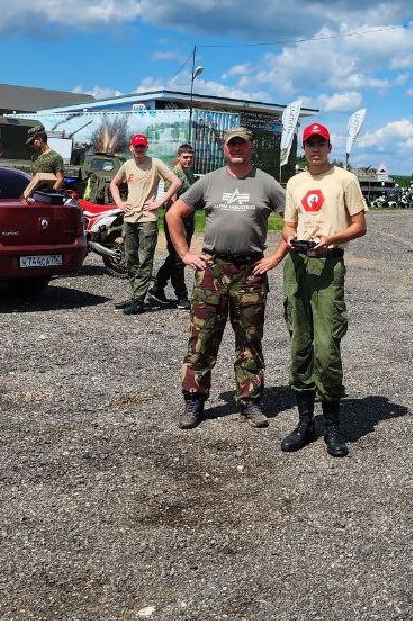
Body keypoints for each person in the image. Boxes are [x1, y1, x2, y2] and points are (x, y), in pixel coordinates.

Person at [165, 126, 287, 429]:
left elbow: (294, 221)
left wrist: (275, 256)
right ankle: (193, 399)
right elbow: (173, 214)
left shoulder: (267, 183)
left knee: (249, 340)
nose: (236, 149)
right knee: (202, 338)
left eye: (241, 144)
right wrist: (185, 254)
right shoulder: (210, 181)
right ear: (224, 148)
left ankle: (250, 401)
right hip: (213, 270)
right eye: (231, 144)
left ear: (250, 147)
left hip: (250, 272)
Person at [270, 121, 367, 457]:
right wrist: (290, 240)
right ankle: (304, 423)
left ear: (329, 146)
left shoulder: (345, 180)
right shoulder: (295, 182)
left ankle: (332, 428)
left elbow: (360, 226)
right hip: (297, 266)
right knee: (300, 343)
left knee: (326, 348)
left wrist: (332, 240)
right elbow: (289, 224)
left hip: (328, 265)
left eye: (319, 144)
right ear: (304, 148)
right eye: (309, 144)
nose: (314, 150)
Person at [111, 133, 185, 315]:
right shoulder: (127, 165)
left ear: (146, 147)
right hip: (129, 219)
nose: (139, 149)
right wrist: (119, 203)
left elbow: (176, 181)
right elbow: (113, 184)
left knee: (144, 260)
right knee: (130, 259)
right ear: (131, 148)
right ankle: (137, 294)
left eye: (142, 146)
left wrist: (160, 201)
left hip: (147, 220)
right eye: (136, 146)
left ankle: (138, 301)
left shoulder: (156, 163)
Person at [151, 142, 196, 309]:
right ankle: (182, 297)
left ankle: (157, 287)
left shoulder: (188, 172)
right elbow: (172, 200)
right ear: (178, 157)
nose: (188, 160)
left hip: (188, 219)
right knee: (178, 259)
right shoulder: (175, 173)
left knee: (176, 257)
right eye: (185, 157)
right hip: (176, 220)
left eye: (191, 157)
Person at [22, 128, 65, 200]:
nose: (31, 145)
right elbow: (33, 178)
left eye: (32, 142)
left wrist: (52, 195)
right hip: (34, 196)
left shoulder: (55, 157)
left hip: (47, 198)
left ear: (40, 139)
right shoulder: (34, 157)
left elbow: (60, 179)